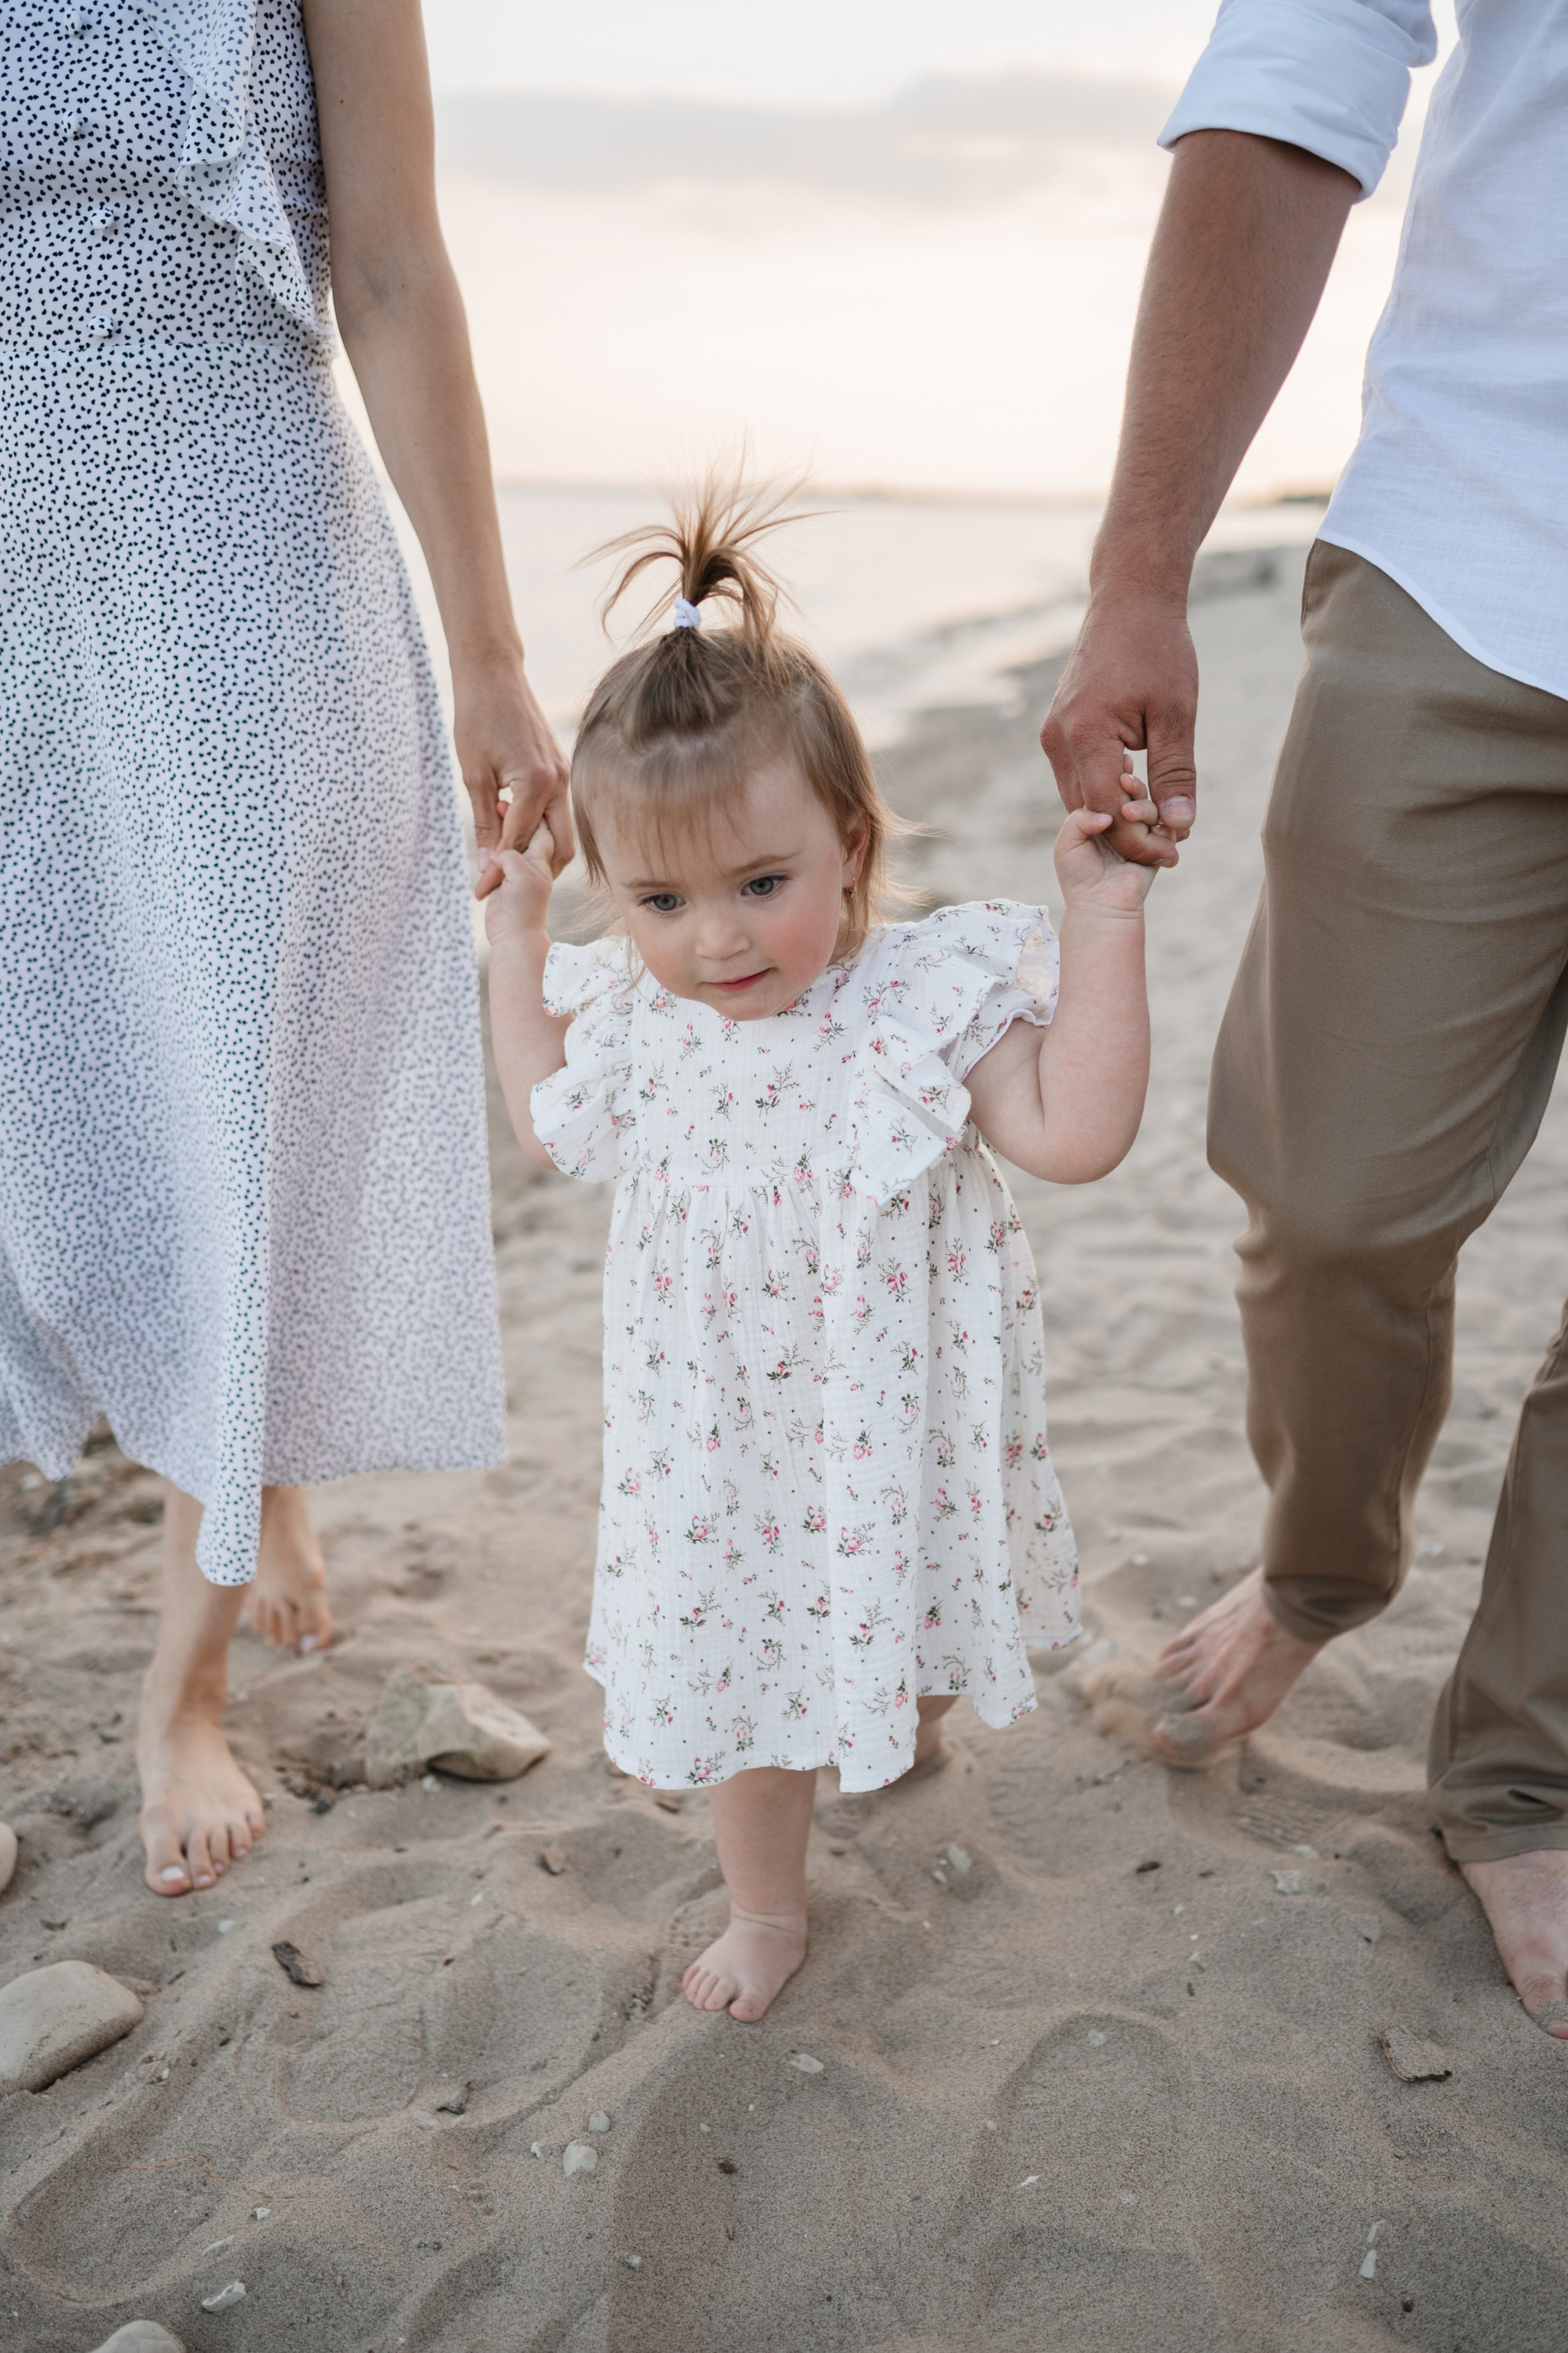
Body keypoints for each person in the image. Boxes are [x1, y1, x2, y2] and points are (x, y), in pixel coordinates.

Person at [0, 0, 569, 1897]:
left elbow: (393, 266)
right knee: (58, 1105)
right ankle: (263, 1468)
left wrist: (491, 654)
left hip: (232, 546)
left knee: (224, 1105)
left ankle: (183, 1691)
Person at [1041, 0, 1568, 2035]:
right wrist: (1138, 570)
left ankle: (1526, 1770)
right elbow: (1295, 79)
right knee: (1334, 1197)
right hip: (1472, 556)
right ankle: (1321, 1563)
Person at [484, 482, 1158, 2020]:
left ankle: (898, 1712)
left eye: (759, 885)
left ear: (848, 845)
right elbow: (545, 1122)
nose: (714, 938)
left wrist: (1102, 922)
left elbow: (1072, 1136)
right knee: (744, 1676)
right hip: (718, 1441)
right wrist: (518, 942)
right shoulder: (645, 1021)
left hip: (886, 1411)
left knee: (899, 1613)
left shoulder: (918, 1001)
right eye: (658, 899)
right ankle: (768, 1907)